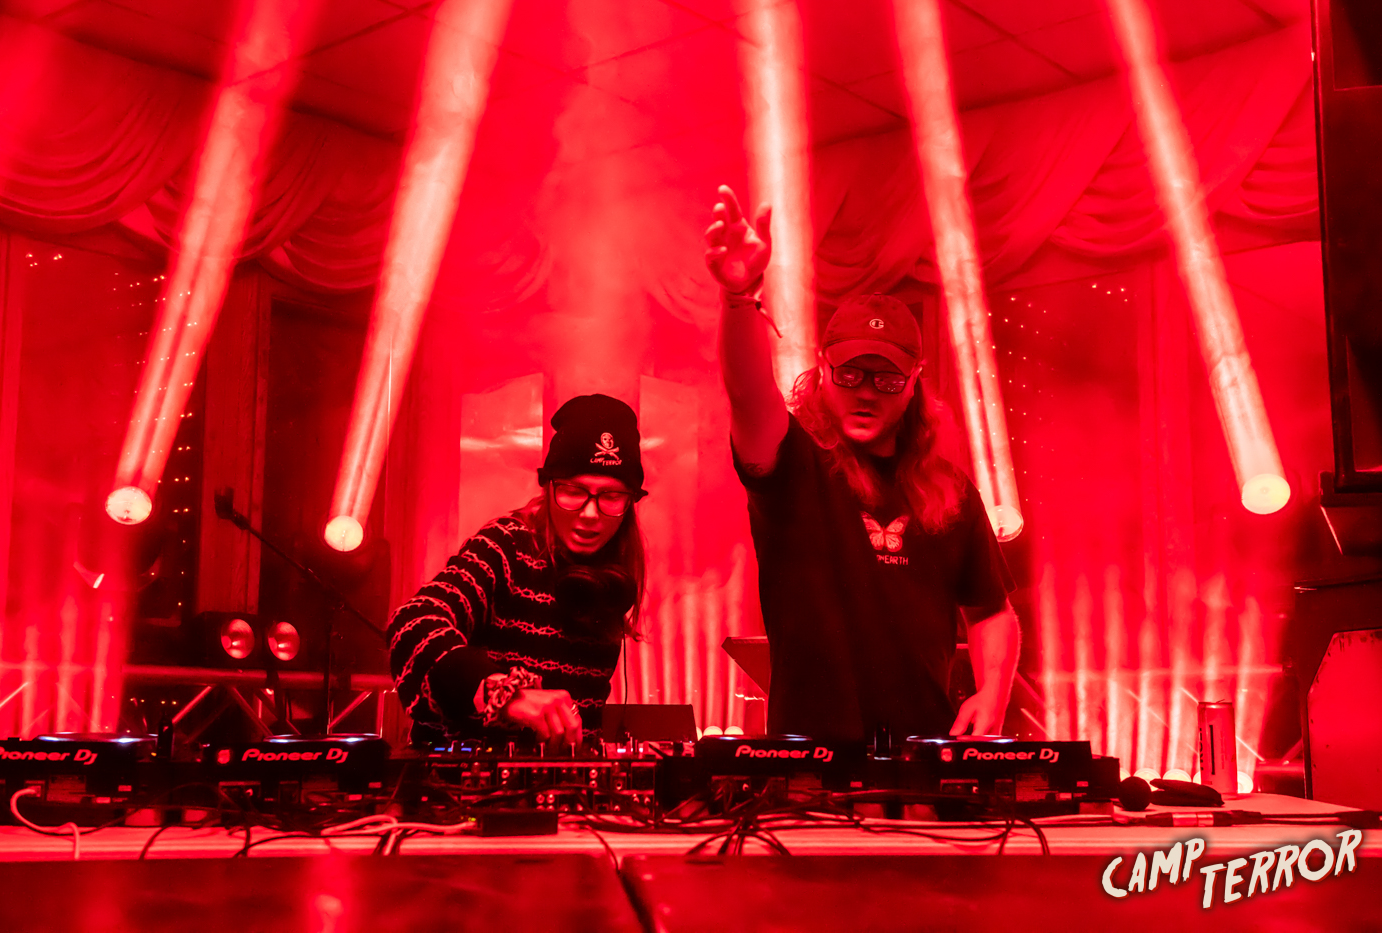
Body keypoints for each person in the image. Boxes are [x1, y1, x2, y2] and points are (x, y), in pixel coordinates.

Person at [704, 185, 1020, 742]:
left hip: (923, 761)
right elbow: (749, 396)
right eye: (850, 373)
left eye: (886, 378)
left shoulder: (951, 492)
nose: (866, 392)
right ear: (823, 368)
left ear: (915, 380)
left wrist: (993, 693)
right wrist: (738, 299)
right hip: (808, 766)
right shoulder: (795, 465)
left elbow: (992, 611)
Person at [386, 394, 647, 751]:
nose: (590, 514)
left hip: (561, 780)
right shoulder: (505, 546)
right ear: (548, 486)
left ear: (630, 502)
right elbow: (413, 623)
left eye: (612, 496)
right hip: (458, 778)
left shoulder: (610, 581)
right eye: (573, 491)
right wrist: (503, 693)